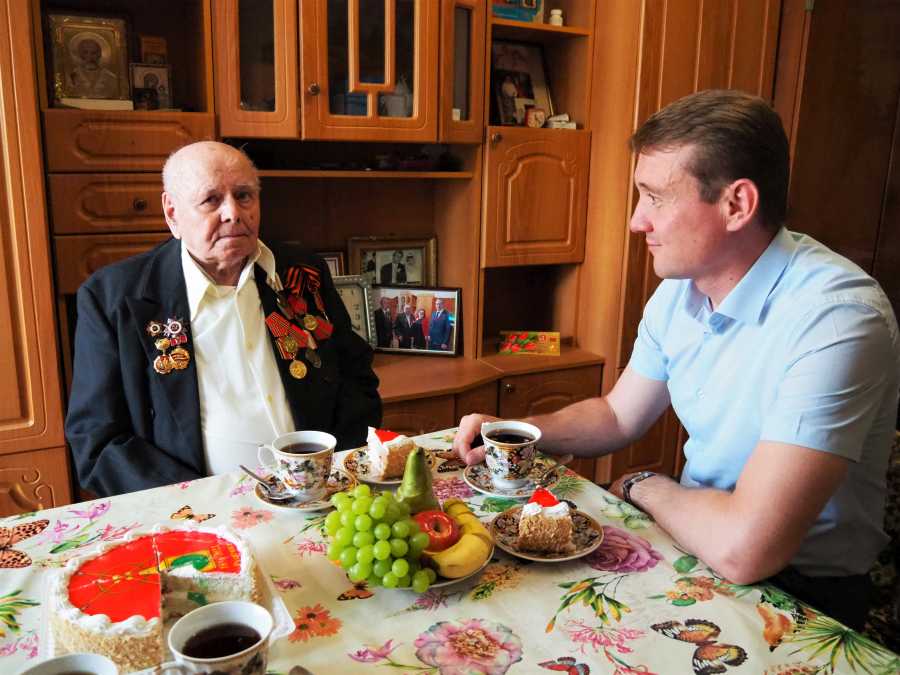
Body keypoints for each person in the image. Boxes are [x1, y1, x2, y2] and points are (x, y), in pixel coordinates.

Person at [454, 90, 900, 629]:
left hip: (803, 594)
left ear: (737, 205)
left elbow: (746, 549)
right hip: (695, 544)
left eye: (655, 198)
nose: (637, 221)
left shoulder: (837, 319)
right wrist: (516, 432)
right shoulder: (681, 290)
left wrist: (643, 485)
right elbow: (618, 415)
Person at [66, 141, 382, 497]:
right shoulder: (113, 298)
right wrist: (194, 501)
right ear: (172, 213)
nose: (233, 212)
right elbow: (97, 440)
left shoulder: (301, 272)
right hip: (195, 513)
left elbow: (356, 375)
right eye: (211, 200)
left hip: (319, 497)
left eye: (244, 195)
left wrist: (336, 468)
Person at [66, 33, 120, 99]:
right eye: (85, 52)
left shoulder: (110, 77)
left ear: (99, 54)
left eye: (94, 53)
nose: (90, 57)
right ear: (80, 54)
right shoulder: (72, 76)